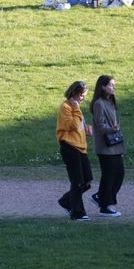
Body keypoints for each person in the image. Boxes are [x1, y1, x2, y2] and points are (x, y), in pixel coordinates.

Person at [56, 80, 93, 221]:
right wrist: (76, 109)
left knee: (87, 181)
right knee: (77, 181)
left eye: (84, 95)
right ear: (74, 93)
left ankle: (66, 201)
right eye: (82, 95)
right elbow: (70, 125)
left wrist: (89, 130)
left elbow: (79, 127)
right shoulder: (66, 107)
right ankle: (77, 213)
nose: (83, 98)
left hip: (81, 148)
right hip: (70, 147)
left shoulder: (76, 107)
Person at [89, 75, 125, 217]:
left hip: (114, 144)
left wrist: (115, 128)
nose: (113, 87)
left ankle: (101, 197)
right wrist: (112, 129)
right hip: (105, 146)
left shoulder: (110, 102)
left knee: (119, 173)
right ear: (103, 86)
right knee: (109, 175)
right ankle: (106, 206)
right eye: (111, 85)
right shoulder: (99, 103)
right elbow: (99, 124)